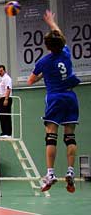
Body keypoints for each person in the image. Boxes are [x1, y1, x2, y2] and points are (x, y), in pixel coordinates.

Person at [27, 10, 80, 193]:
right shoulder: (66, 52)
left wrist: (43, 74)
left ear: (47, 46)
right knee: (70, 137)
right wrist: (52, 22)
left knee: (51, 136)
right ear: (61, 43)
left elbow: (30, 80)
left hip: (55, 97)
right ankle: (71, 171)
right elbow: (60, 36)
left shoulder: (44, 61)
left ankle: (50, 174)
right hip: (71, 97)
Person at [0, 64, 13, 137]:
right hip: (0, 99)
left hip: (5, 98)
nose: (0, 72)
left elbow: (8, 89)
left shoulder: (7, 78)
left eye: (1, 71)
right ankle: (4, 132)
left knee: (6, 116)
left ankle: (8, 133)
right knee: (2, 116)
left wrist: (6, 99)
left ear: (4, 70)